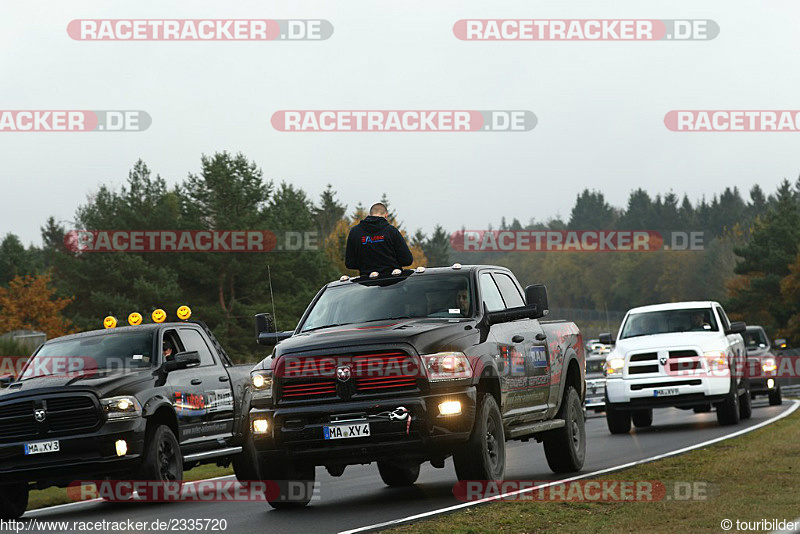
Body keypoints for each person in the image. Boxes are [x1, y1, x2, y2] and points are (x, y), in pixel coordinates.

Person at [345, 202, 413, 276]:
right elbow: (407, 260)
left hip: (366, 282)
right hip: (392, 281)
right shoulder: (391, 231)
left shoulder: (355, 232)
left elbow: (350, 263)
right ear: (386, 215)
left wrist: (366, 266)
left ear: (370, 214)